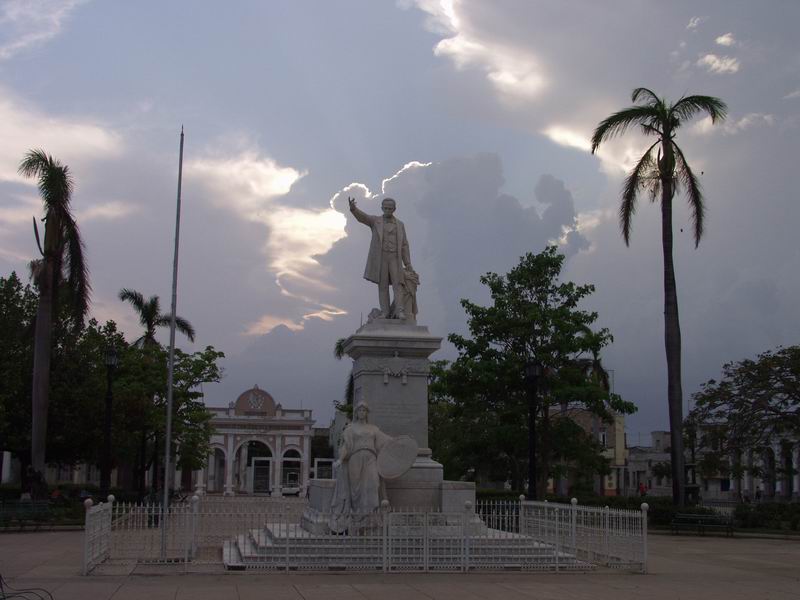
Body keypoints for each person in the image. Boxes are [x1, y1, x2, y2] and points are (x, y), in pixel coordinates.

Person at [329, 400, 391, 532]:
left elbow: (386, 441)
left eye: (364, 410)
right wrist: (340, 460)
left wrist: (398, 443)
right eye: (359, 410)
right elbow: (346, 446)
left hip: (371, 458)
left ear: (367, 413)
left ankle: (371, 518)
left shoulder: (374, 429)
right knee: (356, 490)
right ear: (356, 413)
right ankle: (357, 519)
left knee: (374, 484)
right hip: (355, 458)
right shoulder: (351, 428)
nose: (362, 412)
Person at [348, 196, 413, 319]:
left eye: (390, 208)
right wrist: (353, 209)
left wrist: (408, 263)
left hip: (395, 258)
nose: (388, 210)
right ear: (382, 208)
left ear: (394, 209)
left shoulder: (400, 225)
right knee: (382, 286)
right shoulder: (375, 221)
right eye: (386, 208)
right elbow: (363, 218)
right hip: (381, 258)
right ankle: (385, 311)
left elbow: (404, 245)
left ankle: (400, 311)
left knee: (398, 284)